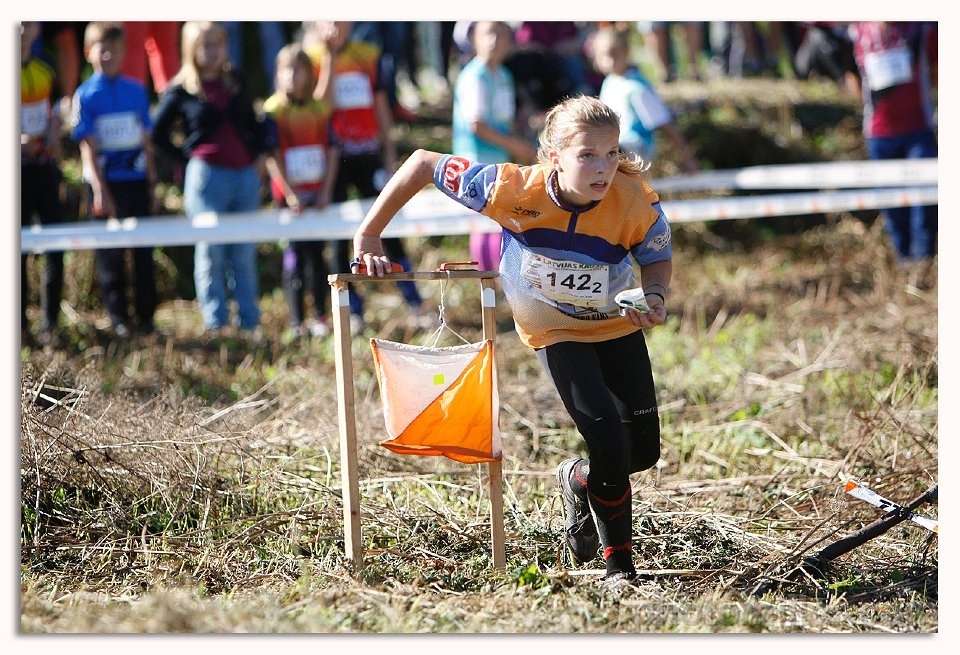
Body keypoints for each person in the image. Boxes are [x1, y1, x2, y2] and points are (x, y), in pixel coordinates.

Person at [351, 95, 672, 586]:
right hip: (555, 332)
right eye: (587, 155)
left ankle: (580, 480)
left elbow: (655, 255)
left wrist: (654, 294)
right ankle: (619, 568)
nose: (602, 168)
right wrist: (369, 235)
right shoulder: (509, 188)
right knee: (606, 436)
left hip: (615, 325)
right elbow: (420, 163)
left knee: (641, 453)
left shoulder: (632, 197)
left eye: (611, 153)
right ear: (554, 155)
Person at [152, 21, 272, 334]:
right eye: (205, 44)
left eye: (217, 44)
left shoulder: (237, 81)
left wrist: (260, 156)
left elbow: (255, 122)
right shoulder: (181, 91)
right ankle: (216, 323)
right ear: (191, 49)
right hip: (207, 179)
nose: (212, 51)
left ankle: (249, 323)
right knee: (211, 252)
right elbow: (157, 133)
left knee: (243, 252)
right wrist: (185, 160)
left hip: (244, 175)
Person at [310, 21, 427, 328]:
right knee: (338, 237)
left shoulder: (367, 54)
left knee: (387, 227)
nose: (336, 26)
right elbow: (320, 106)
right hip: (334, 158)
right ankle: (352, 310)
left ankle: (414, 301)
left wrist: (389, 155)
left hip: (368, 152)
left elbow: (379, 105)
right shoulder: (311, 57)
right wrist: (330, 57)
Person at [70, 22, 158, 338]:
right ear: (88, 52)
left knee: (143, 252)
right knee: (111, 254)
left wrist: (152, 182)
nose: (108, 55)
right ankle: (118, 318)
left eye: (114, 49)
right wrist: (99, 190)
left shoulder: (135, 90)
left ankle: (147, 318)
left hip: (135, 181)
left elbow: (146, 141)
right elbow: (88, 149)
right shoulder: (86, 96)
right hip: (107, 185)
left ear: (124, 52)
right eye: (101, 48)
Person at [263, 44, 339, 339]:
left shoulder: (320, 110)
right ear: (278, 74)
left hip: (317, 195)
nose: (293, 76)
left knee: (316, 257)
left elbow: (332, 150)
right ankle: (297, 320)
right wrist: (290, 193)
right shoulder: (274, 110)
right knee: (293, 257)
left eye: (299, 69)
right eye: (287, 70)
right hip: (289, 200)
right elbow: (273, 156)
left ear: (310, 74)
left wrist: (326, 191)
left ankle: (320, 315)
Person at [847, 22, 937, 262]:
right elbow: (849, 71)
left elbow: (936, 65)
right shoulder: (858, 29)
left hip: (919, 128)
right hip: (879, 133)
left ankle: (924, 261)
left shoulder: (921, 26)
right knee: (891, 204)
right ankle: (903, 259)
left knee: (925, 202)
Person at [452, 21, 536, 272]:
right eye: (489, 34)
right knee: (481, 223)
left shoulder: (504, 76)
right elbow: (476, 124)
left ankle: (498, 281)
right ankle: (484, 278)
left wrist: (518, 143)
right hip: (475, 162)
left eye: (501, 35)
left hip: (499, 161)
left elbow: (505, 121)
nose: (495, 41)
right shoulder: (473, 76)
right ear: (474, 40)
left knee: (498, 220)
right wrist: (516, 146)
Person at [592, 28, 699, 173]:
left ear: (626, 52)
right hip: (612, 147)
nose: (609, 61)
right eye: (604, 56)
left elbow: (663, 123)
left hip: (635, 150)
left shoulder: (637, 88)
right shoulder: (609, 82)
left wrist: (687, 157)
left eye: (614, 55)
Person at [20, 21, 67, 345]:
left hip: (45, 169)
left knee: (54, 246)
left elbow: (56, 111)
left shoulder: (46, 67)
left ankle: (51, 325)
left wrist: (54, 132)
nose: (22, 27)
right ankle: (17, 326)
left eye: (29, 22)